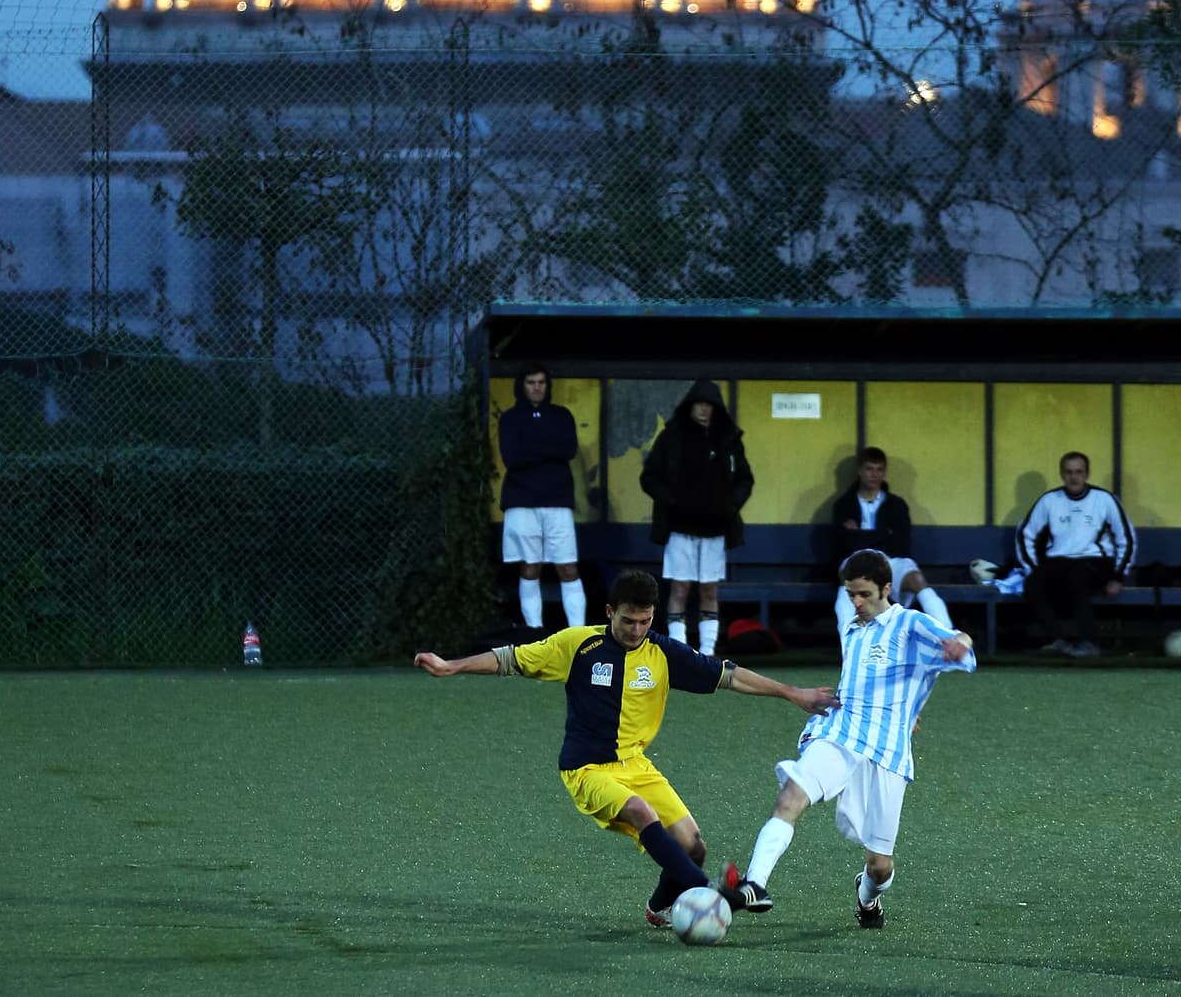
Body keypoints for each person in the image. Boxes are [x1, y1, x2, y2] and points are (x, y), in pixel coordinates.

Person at [414, 567, 837, 931]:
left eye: (645, 621)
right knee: (639, 810)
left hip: (635, 765)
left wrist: (791, 692)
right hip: (587, 769)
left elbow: (729, 676)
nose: (636, 631)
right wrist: (452, 666)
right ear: (609, 612)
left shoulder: (662, 653)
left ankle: (658, 907)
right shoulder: (578, 645)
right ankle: (707, 892)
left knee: (693, 846)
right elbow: (511, 658)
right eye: (628, 621)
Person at [726, 549, 975, 931]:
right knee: (791, 796)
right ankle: (754, 884)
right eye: (851, 594)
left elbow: (957, 640)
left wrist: (962, 642)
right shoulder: (852, 628)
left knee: (880, 865)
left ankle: (867, 897)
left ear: (886, 589)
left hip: (887, 751)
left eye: (864, 594)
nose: (856, 603)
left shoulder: (909, 623)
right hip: (840, 733)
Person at [639, 378, 753, 654]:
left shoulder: (728, 438)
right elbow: (649, 478)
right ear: (689, 406)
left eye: (709, 405)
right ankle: (679, 652)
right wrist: (672, 502)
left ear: (716, 408)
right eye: (699, 404)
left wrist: (730, 506)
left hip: (715, 529)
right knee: (679, 589)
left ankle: (708, 653)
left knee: (709, 591)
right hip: (679, 528)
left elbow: (745, 479)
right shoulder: (671, 437)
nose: (703, 409)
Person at [1015, 451, 1136, 659]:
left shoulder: (1104, 499)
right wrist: (1033, 569)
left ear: (1086, 474)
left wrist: (1118, 577)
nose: (1074, 477)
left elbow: (1126, 538)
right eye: (1069, 472)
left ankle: (1089, 642)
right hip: (1058, 562)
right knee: (1033, 585)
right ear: (1062, 474)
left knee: (1077, 578)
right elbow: (1025, 534)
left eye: (1079, 472)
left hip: (1095, 562)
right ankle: (1058, 641)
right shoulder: (1049, 501)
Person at [829, 446, 953, 640]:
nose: (874, 474)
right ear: (860, 471)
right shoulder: (843, 505)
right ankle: (848, 640)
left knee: (917, 579)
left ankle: (949, 637)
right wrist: (883, 534)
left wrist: (859, 535)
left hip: (890, 560)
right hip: (856, 559)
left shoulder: (897, 505)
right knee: (846, 577)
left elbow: (901, 544)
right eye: (869, 469)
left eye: (879, 469)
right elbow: (842, 544)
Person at [498, 363, 586, 633]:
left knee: (567, 567)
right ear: (522, 385)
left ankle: (578, 634)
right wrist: (548, 449)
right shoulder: (511, 418)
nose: (536, 387)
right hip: (521, 502)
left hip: (557, 502)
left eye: (541, 382)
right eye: (531, 382)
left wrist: (531, 446)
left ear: (547, 385)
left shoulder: (562, 415)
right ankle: (534, 633)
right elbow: (512, 458)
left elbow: (568, 449)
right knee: (530, 567)